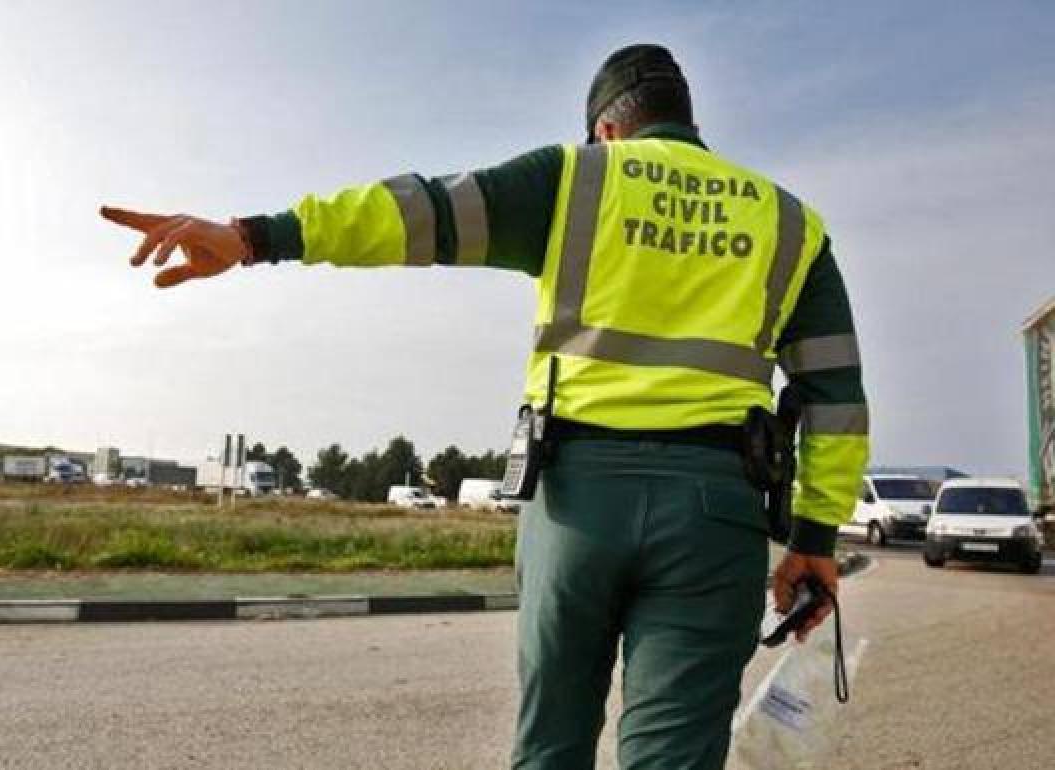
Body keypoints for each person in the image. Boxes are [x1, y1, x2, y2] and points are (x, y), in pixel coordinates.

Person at [101, 43, 868, 770]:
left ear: (607, 128)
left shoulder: (576, 178)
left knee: (551, 745)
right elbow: (835, 396)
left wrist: (254, 237)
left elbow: (415, 214)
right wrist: (814, 536)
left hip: (577, 503)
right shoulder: (790, 223)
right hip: (716, 512)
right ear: (689, 122)